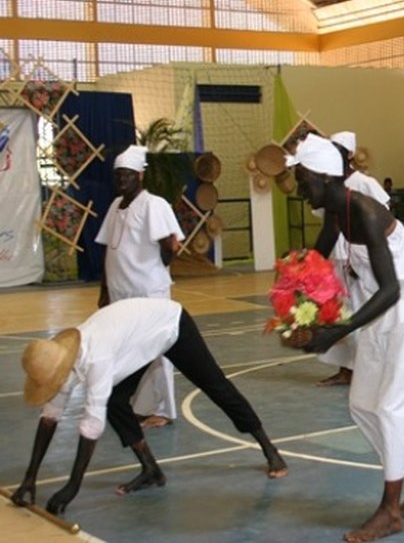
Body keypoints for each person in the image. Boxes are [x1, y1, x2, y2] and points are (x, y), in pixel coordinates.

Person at [288, 133, 404, 543]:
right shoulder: (334, 212)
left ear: (327, 179)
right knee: (364, 403)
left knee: (392, 406)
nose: (298, 189)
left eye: (303, 180)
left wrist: (337, 331)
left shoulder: (364, 210)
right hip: (380, 316)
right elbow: (316, 262)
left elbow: (391, 289)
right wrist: (296, 304)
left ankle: (390, 511)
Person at [10, 297, 288, 515]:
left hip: (170, 324)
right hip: (137, 339)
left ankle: (269, 448)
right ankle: (151, 470)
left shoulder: (97, 357)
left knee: (216, 386)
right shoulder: (60, 361)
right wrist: (29, 479)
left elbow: (91, 425)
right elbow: (50, 417)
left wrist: (72, 487)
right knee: (117, 401)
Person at [96, 145, 184, 429]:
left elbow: (168, 246)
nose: (122, 180)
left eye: (128, 175)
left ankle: (164, 409)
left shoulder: (154, 204)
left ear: (140, 176)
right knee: (130, 351)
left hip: (148, 292)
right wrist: (105, 291)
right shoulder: (115, 207)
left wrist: (168, 254)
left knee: (157, 353)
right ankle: (141, 404)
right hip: (121, 294)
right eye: (119, 175)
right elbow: (109, 251)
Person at [314, 131, 391, 387]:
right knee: (337, 313)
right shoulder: (328, 182)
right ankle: (346, 369)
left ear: (348, 155)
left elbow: (382, 217)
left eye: (337, 149)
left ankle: (369, 372)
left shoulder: (364, 183)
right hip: (338, 258)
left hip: (362, 258)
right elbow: (328, 225)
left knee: (362, 315)